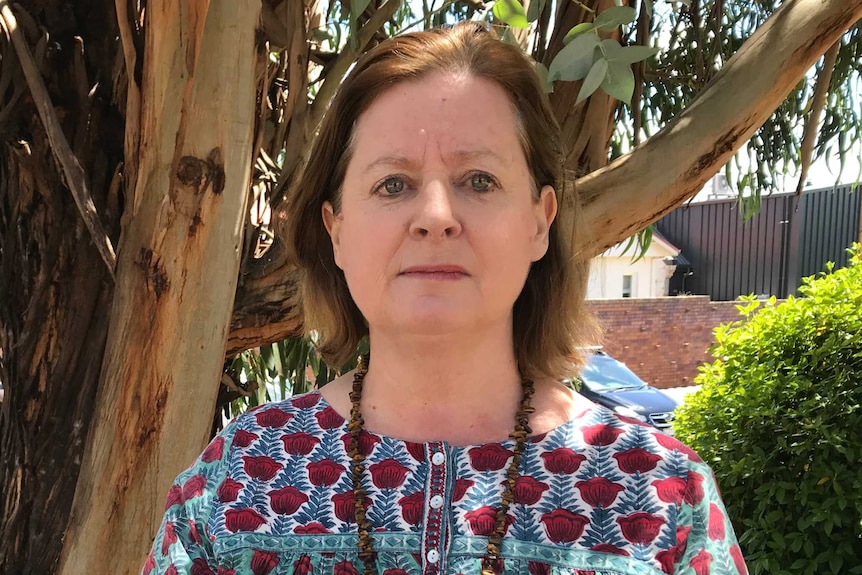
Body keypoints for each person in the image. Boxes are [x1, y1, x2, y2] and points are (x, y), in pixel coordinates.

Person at [143, 22, 748, 575]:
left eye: (478, 180)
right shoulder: (235, 480)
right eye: (393, 184)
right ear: (337, 231)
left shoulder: (663, 496)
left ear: (540, 222)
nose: (436, 216)